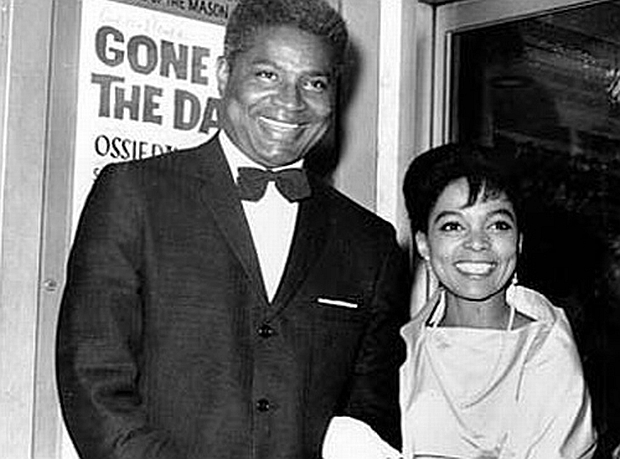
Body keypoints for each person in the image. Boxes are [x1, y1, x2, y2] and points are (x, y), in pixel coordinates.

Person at [55, 1, 411, 458]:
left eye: (314, 83)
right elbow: (93, 377)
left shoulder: (369, 243)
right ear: (224, 74)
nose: (290, 102)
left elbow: (369, 415)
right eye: (267, 75)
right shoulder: (135, 193)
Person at [399, 143, 597, 458]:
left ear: (518, 242)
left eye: (497, 225)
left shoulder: (547, 347)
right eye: (453, 226)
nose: (477, 242)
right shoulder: (403, 348)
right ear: (424, 244)